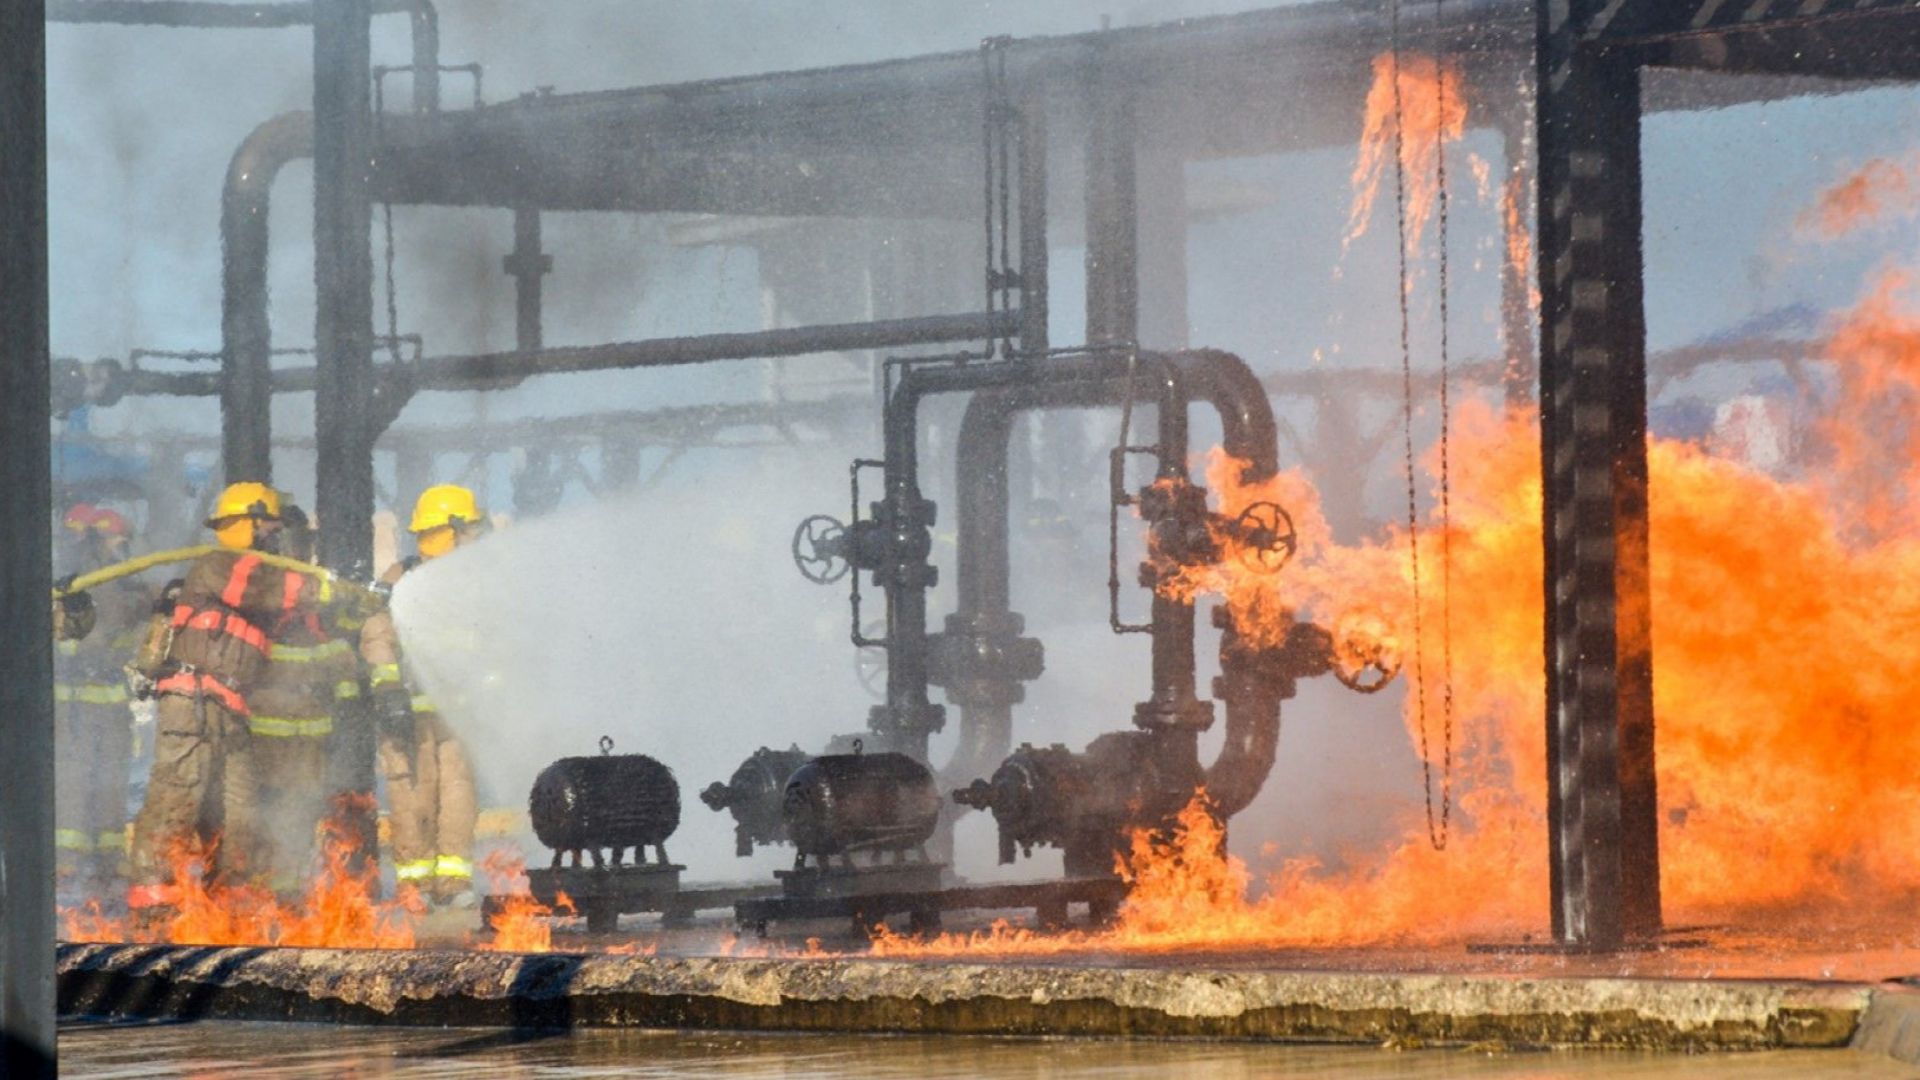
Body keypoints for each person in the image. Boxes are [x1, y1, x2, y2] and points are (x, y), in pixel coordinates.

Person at [122, 482, 343, 928]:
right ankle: (153, 904)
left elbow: (297, 619)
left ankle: (231, 901)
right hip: (192, 701)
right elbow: (265, 589)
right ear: (249, 524)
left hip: (231, 707)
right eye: (271, 526)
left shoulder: (268, 573)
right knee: (176, 798)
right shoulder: (220, 566)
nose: (276, 535)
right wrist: (322, 586)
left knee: (240, 811)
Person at [359, 484, 483, 908]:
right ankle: (416, 887)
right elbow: (377, 635)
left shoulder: (471, 579)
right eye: (467, 529)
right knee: (412, 793)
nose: (473, 538)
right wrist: (389, 688)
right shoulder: (401, 580)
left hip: (456, 712)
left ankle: (452, 882)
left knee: (456, 791)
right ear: (448, 530)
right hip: (408, 709)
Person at [244, 506, 364, 897]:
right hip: (271, 723)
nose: (303, 549)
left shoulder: (304, 598)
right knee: (270, 806)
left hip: (308, 723)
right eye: (298, 540)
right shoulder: (271, 582)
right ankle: (268, 889)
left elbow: (329, 647)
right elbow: (309, 599)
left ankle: (287, 890)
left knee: (299, 808)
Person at [52, 504, 145, 899]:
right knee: (73, 775)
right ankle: (68, 858)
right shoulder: (80, 582)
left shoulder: (119, 581)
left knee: (110, 775)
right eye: (115, 539)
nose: (121, 547)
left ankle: (107, 857)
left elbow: (123, 632)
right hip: (74, 701)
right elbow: (92, 637)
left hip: (109, 699)